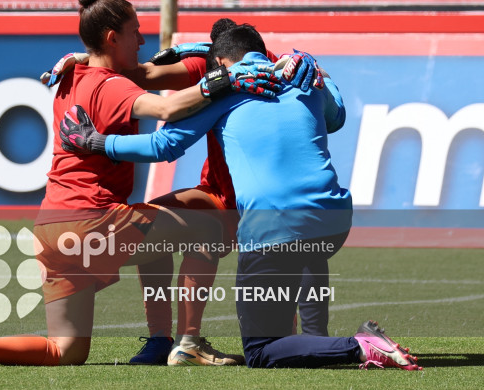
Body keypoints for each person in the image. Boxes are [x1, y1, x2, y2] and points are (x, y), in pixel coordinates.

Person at [0, 0, 278, 369]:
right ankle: (188, 344)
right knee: (203, 228)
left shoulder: (70, 78)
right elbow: (167, 109)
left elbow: (140, 71)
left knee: (66, 350)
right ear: (112, 37)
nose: (142, 39)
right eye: (135, 31)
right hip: (91, 220)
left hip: (51, 229)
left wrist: (79, 56)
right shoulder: (112, 85)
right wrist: (222, 81)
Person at [59, 24, 421, 370]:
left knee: (262, 350)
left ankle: (358, 345)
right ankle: (315, 340)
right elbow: (336, 116)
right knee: (306, 251)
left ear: (220, 63)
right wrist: (318, 72)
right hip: (335, 220)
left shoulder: (226, 88)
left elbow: (162, 144)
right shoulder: (299, 74)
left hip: (272, 226)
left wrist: (97, 143)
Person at [41, 19, 328, 366]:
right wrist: (86, 57)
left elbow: (165, 139)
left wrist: (97, 143)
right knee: (155, 221)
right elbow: (142, 75)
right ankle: (166, 341)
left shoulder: (280, 68)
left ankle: (314, 340)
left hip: (265, 200)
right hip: (221, 193)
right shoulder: (212, 63)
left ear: (224, 57)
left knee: (301, 257)